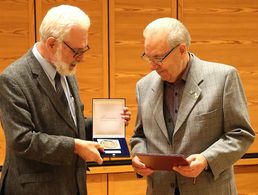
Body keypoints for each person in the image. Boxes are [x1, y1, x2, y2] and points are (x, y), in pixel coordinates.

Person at [0, 5, 131, 195]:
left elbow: (70, 127)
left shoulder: (65, 70)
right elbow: (22, 140)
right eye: (77, 51)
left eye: (84, 49)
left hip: (72, 185)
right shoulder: (13, 79)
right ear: (52, 44)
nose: (82, 58)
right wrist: (75, 147)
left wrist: (106, 122)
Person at [130, 17, 255, 195]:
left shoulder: (224, 77)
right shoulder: (143, 85)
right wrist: (139, 157)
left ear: (181, 49)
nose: (152, 67)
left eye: (158, 58)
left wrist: (206, 159)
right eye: (148, 57)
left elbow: (241, 134)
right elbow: (140, 135)